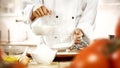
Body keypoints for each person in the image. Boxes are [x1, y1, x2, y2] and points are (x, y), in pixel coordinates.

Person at [20, 0, 98, 65]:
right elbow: (27, 6)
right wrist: (33, 9)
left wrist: (80, 30)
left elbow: (89, 16)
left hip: (76, 51)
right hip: (45, 53)